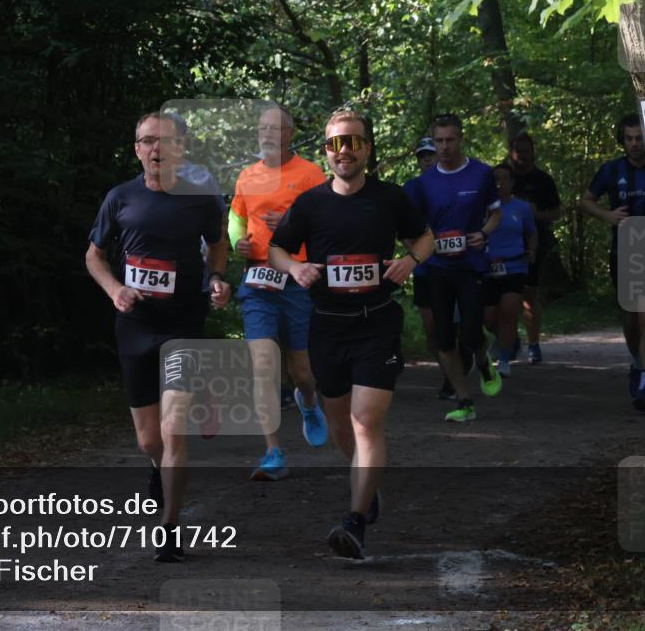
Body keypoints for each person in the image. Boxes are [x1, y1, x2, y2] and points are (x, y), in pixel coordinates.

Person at [268, 109, 434, 559]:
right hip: (327, 325)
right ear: (326, 151)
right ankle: (368, 484)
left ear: (367, 148)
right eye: (336, 143)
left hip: (376, 322)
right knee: (340, 423)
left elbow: (425, 238)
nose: (345, 151)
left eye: (354, 142)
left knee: (365, 421)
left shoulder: (390, 198)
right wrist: (296, 266)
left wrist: (410, 262)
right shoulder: (311, 204)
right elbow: (277, 247)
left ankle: (355, 521)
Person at [85, 112, 230, 562]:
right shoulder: (120, 198)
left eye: (164, 142)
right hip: (136, 325)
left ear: (181, 150)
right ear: (136, 150)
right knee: (149, 441)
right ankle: (156, 468)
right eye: (147, 142)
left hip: (182, 324)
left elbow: (219, 242)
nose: (155, 150)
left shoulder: (201, 198)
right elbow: (93, 257)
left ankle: (169, 529)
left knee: (173, 430)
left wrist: (218, 278)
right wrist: (115, 290)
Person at [229, 105, 328, 481]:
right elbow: (236, 217)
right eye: (262, 128)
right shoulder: (247, 175)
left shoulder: (310, 174)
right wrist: (239, 241)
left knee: (301, 370)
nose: (266, 134)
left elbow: (324, 223)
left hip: (297, 281)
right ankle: (273, 452)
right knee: (263, 367)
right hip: (257, 281)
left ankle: (307, 402)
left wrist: (290, 223)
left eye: (275, 128)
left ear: (290, 133)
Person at [408, 113, 503, 423]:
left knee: (472, 332)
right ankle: (464, 400)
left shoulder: (481, 174)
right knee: (443, 336)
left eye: (450, 140)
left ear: (460, 139)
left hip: (472, 266)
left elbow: (495, 214)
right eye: (439, 141)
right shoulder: (424, 183)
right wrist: (418, 250)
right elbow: (413, 227)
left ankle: (483, 359)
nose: (445, 147)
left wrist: (484, 234)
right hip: (437, 268)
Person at [579, 114, 645, 412]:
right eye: (630, 138)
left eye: (639, 138)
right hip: (624, 253)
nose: (635, 144)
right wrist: (607, 216)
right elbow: (585, 200)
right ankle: (637, 362)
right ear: (622, 140)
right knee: (631, 321)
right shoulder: (611, 170)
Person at [403, 136, 471, 401]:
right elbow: (402, 223)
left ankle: (462, 365)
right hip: (425, 268)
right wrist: (414, 249)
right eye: (422, 156)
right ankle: (449, 375)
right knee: (432, 327)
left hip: (457, 265)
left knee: (457, 325)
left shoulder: (458, 182)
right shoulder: (411, 188)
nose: (427, 160)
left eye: (430, 154)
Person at [509, 133, 561, 364]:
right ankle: (509, 341)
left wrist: (535, 214)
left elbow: (556, 213)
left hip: (535, 243)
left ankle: (533, 344)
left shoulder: (543, 180)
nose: (522, 156)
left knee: (529, 295)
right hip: (502, 244)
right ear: (511, 152)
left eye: (526, 150)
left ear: (533, 152)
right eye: (518, 151)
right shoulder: (501, 178)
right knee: (507, 296)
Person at [483, 163, 537, 378]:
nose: (500, 182)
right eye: (496, 178)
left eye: (505, 178)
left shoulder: (521, 208)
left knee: (509, 312)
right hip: (487, 268)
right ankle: (510, 340)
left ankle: (504, 359)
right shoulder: (482, 207)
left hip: (515, 266)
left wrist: (532, 249)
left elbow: (532, 233)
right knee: (488, 318)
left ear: (512, 182)